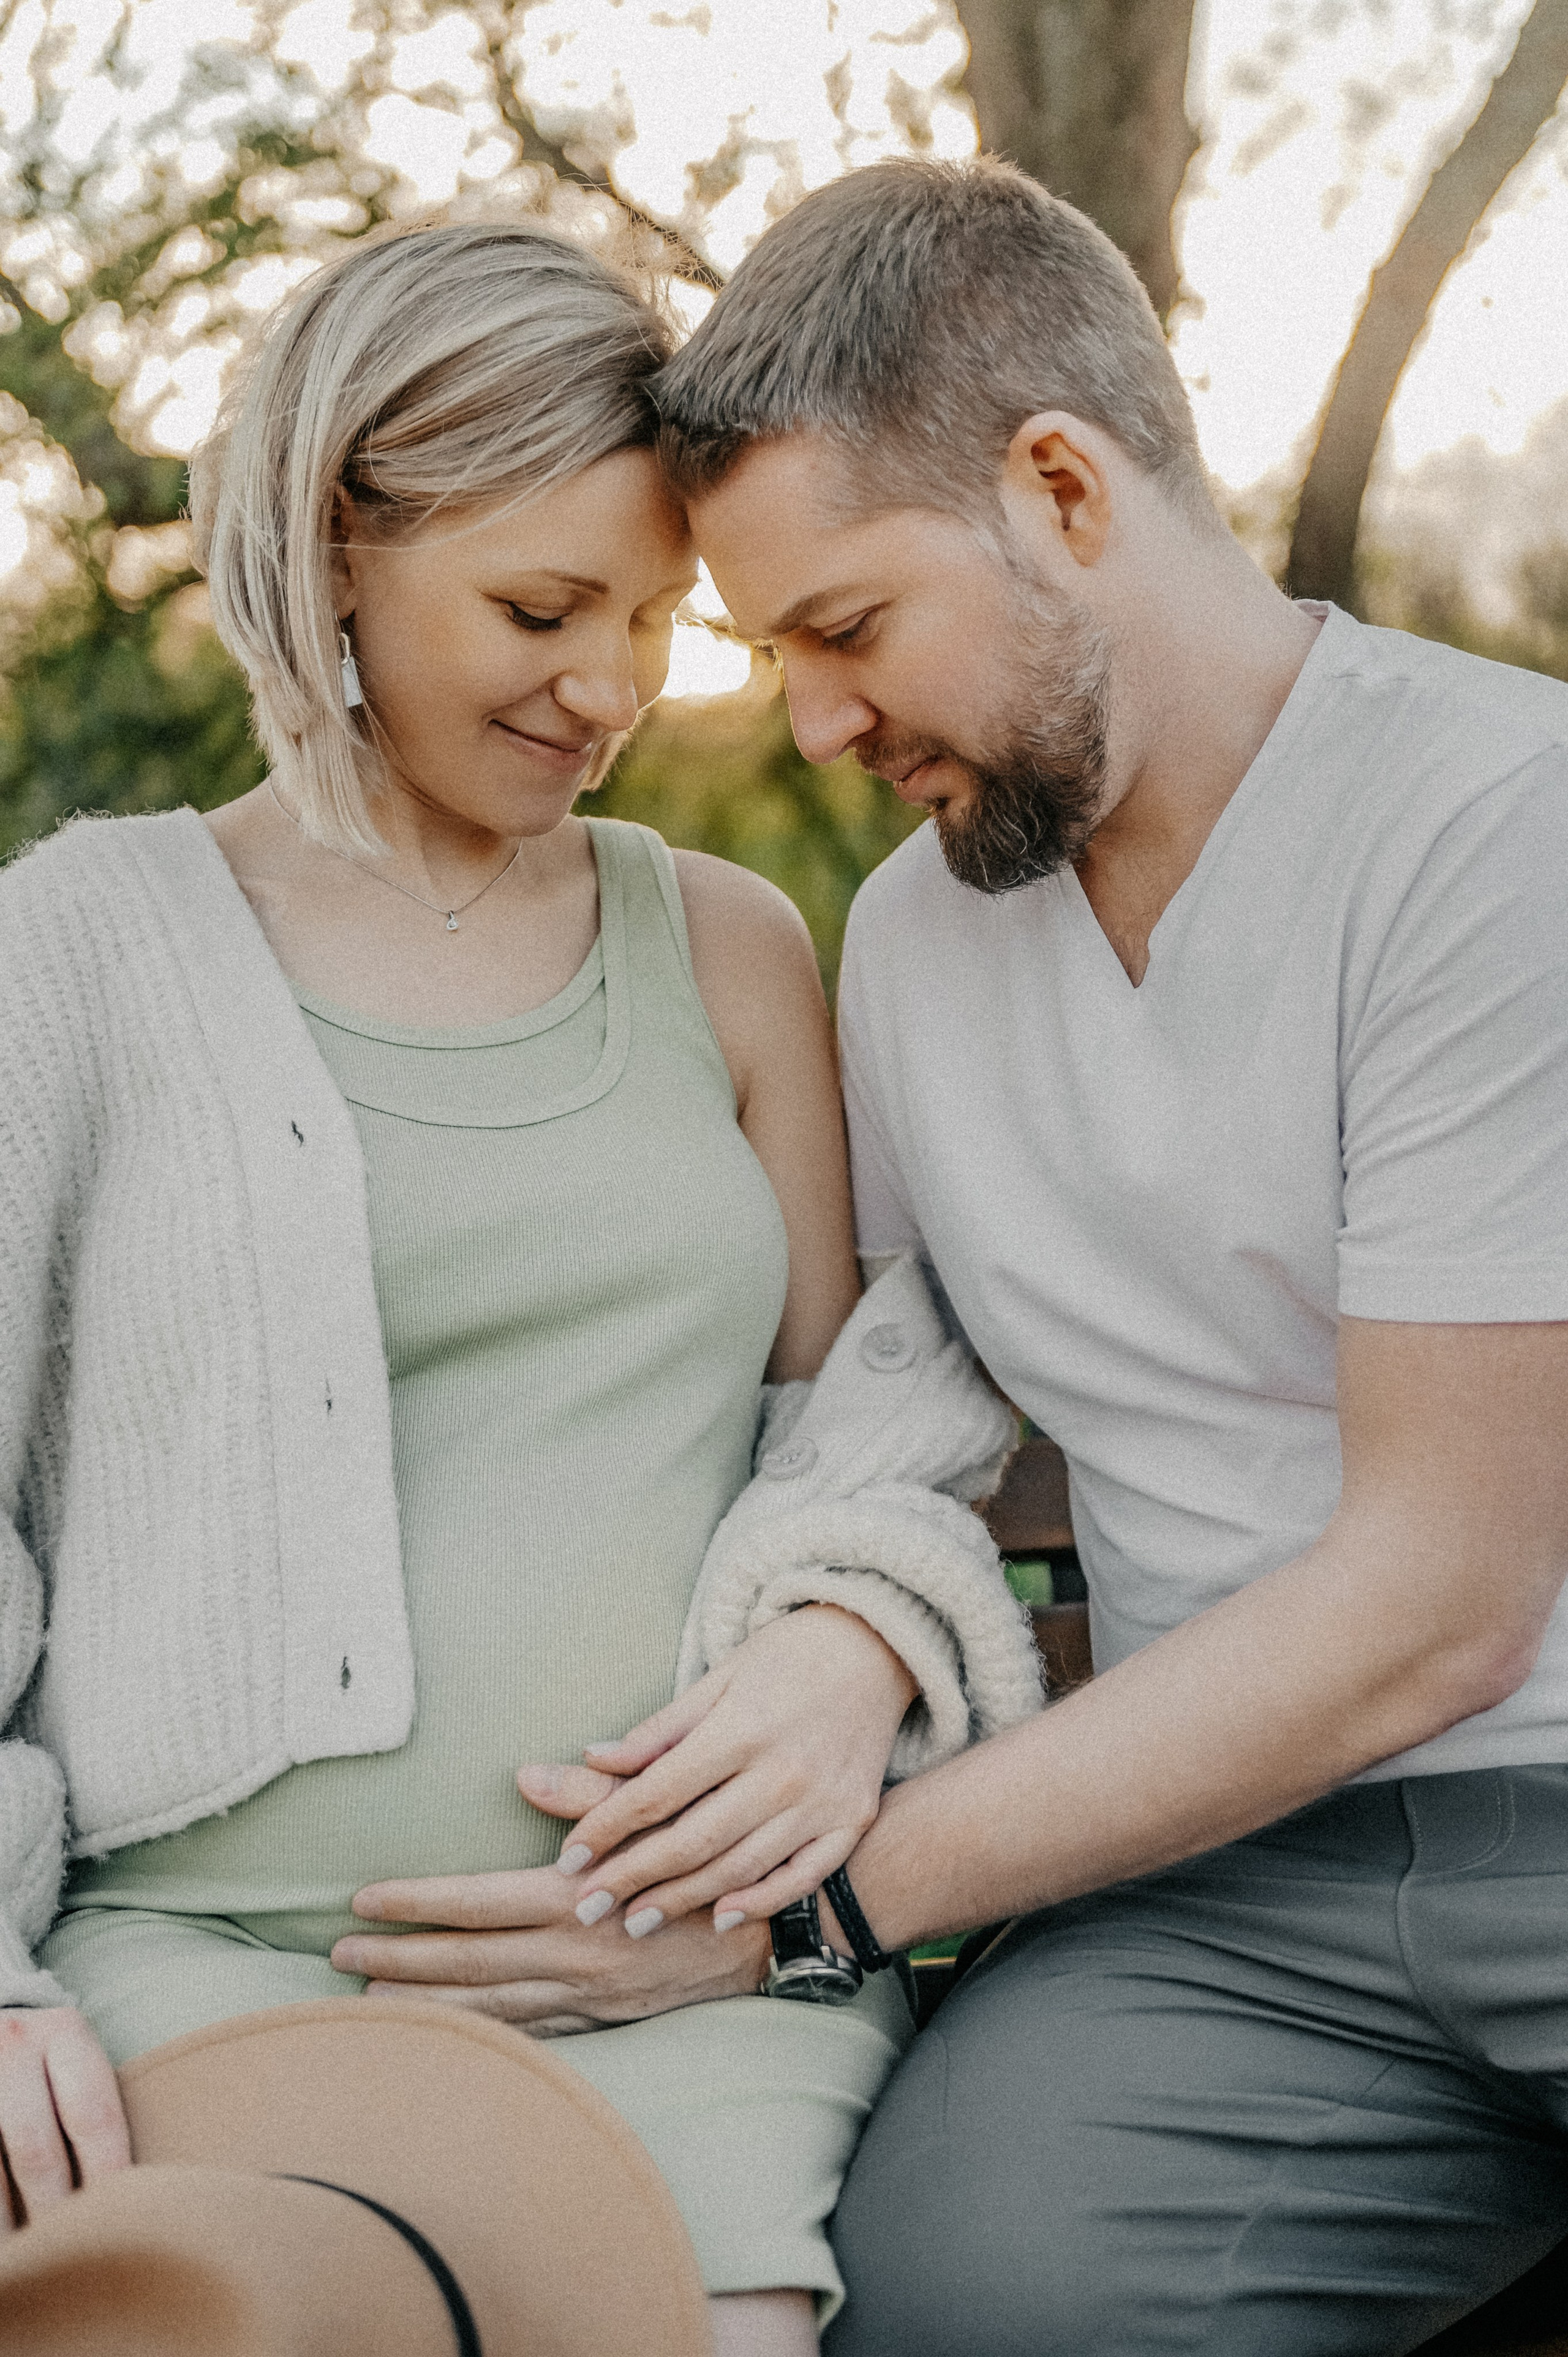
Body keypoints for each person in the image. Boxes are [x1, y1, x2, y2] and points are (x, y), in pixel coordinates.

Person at [0, 215, 1039, 2355]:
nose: (611, 691)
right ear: (333, 545)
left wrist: (851, 1633)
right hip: (205, 1957)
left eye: (661, 622)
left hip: (696, 1965)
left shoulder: (731, 941)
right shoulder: (80, 952)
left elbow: (845, 1428)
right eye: (543, 610)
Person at [619, 156, 1568, 2353]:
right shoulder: (911, 947)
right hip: (1220, 1891)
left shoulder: (1489, 826)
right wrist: (846, 1626)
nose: (821, 728)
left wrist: (809, 1907)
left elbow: (1440, 1601)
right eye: (778, 660)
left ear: (1061, 487)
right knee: (952, 2311)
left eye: (846, 629)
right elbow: (930, 1354)